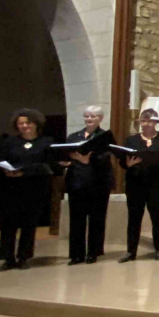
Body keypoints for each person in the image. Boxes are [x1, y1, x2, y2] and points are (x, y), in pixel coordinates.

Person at [0, 108, 54, 270]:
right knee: (8, 224)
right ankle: (8, 258)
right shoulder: (9, 142)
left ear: (36, 124)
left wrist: (24, 171)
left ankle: (24, 257)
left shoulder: (46, 142)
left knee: (29, 223)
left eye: (28, 123)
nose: (24, 126)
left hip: (34, 188)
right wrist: (5, 170)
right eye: (21, 123)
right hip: (11, 188)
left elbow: (48, 165)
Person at [119, 108, 159, 262]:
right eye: (143, 120)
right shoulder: (132, 140)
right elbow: (122, 160)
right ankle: (131, 251)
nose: (146, 124)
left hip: (156, 184)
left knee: (157, 217)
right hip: (135, 183)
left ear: (156, 122)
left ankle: (158, 249)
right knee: (134, 218)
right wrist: (128, 164)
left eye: (150, 120)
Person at [60, 105, 114, 265]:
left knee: (96, 219)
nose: (89, 119)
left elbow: (106, 158)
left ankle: (93, 252)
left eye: (93, 116)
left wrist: (88, 160)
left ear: (100, 119)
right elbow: (66, 154)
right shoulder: (74, 136)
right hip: (76, 182)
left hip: (98, 183)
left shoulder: (104, 136)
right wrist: (65, 161)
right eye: (87, 116)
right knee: (76, 219)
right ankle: (76, 254)